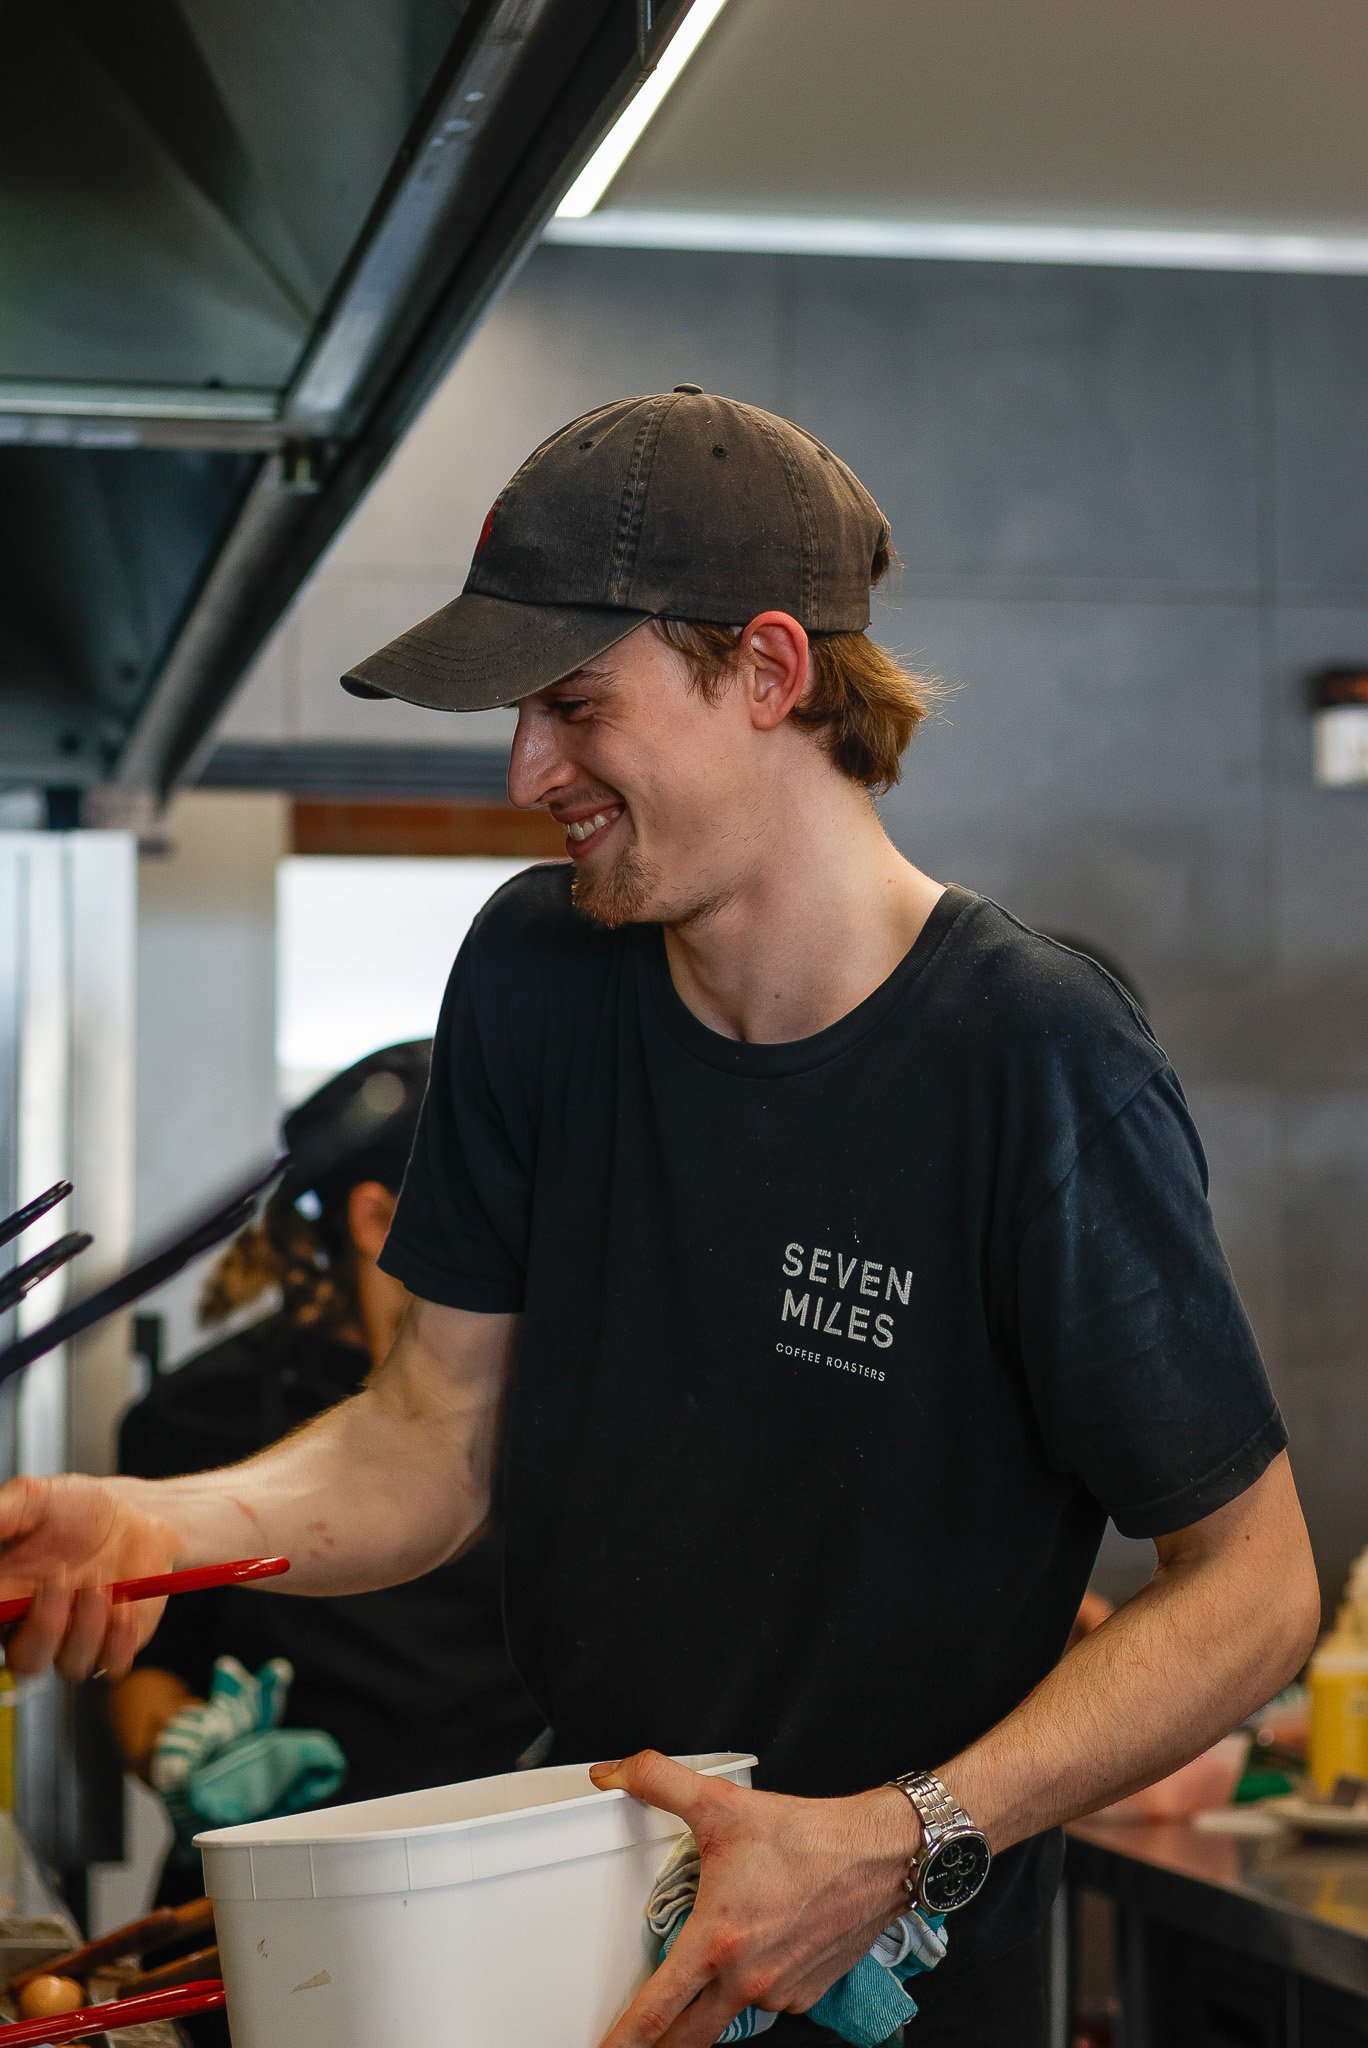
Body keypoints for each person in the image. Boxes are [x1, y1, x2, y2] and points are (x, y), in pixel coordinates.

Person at [0, 390, 1319, 2048]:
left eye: (570, 703)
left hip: (893, 1996)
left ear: (768, 670)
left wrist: (893, 1834)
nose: (524, 768)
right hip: (578, 1962)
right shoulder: (535, 976)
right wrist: (149, 1527)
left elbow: (1251, 1588)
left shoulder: (1033, 1054)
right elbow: (427, 1436)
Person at [109, 1042, 542, 1905]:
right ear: (376, 1220)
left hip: (510, 1882)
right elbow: (149, 1668)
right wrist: (185, 1753)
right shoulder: (204, 1415)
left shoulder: (559, 1403)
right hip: (275, 1901)